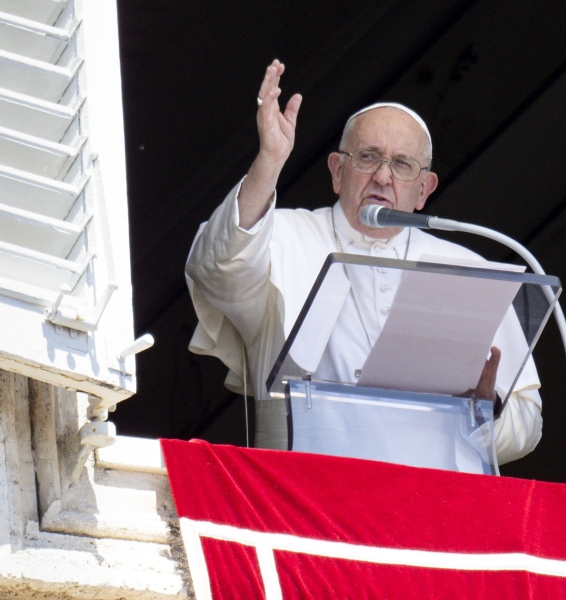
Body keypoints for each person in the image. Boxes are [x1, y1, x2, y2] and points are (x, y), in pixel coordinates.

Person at [185, 60, 542, 463]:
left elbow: (526, 426)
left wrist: (486, 407)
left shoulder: (467, 267)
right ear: (338, 172)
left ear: (424, 190)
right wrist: (269, 161)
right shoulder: (283, 236)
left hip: (431, 511)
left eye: (402, 164)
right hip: (304, 502)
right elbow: (216, 267)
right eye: (368, 157)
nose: (383, 178)